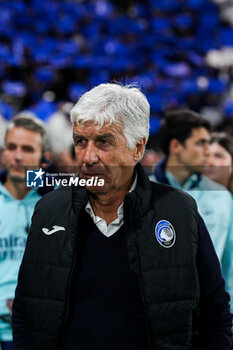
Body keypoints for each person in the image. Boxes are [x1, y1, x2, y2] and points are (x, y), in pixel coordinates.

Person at [12, 84, 232, 350]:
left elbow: (215, 312)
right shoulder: (49, 210)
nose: (88, 157)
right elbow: (26, 310)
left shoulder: (180, 210)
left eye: (104, 141)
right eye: (81, 141)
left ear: (137, 149)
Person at [151, 109, 233, 262]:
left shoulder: (221, 196)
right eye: (201, 143)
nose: (207, 152)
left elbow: (229, 265)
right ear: (176, 146)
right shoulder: (142, 192)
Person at [0, 114, 49, 350]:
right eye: (11, 147)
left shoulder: (58, 205)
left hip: (42, 332)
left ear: (44, 159)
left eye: (27, 149)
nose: (17, 156)